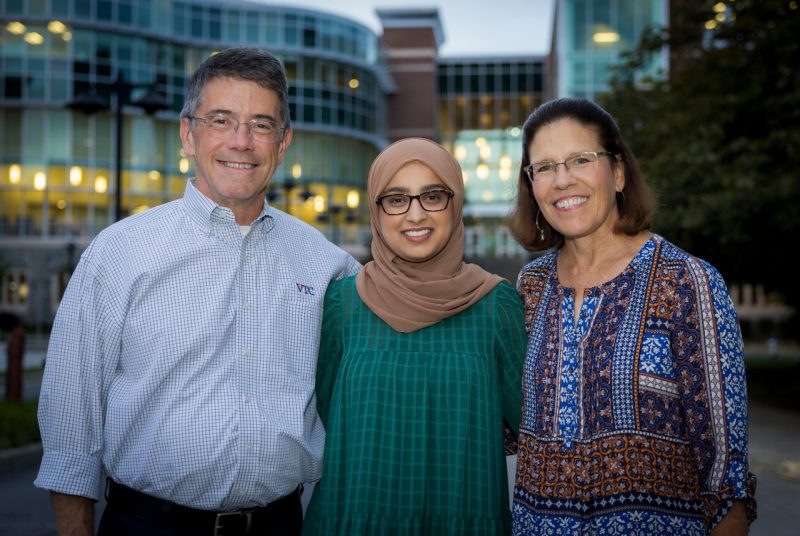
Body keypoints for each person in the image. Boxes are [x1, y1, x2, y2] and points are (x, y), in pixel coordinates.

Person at [35, 46, 361, 536]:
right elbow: (70, 425)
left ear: (283, 141)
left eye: (261, 124)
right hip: (147, 526)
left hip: (281, 525)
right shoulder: (119, 252)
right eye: (221, 120)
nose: (241, 141)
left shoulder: (328, 265)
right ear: (188, 134)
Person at [507, 97, 757, 535]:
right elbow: (506, 426)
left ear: (618, 172)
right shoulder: (528, 289)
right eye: (543, 167)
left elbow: (726, 481)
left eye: (580, 159)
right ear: (531, 186)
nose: (562, 180)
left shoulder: (686, 281)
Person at [301, 137, 527, 535]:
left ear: (455, 204)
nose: (415, 214)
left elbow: (535, 426)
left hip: (465, 518)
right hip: (354, 518)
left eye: (432, 196)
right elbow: (322, 412)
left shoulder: (495, 305)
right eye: (396, 198)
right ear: (376, 208)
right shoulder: (343, 303)